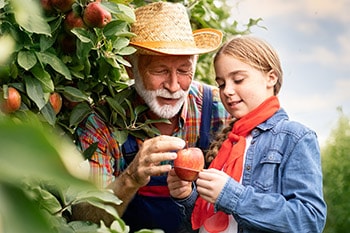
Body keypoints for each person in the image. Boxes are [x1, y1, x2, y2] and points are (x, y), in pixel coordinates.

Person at [71, 2, 230, 233]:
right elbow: (84, 217)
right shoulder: (102, 123)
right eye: (160, 70)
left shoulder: (217, 109)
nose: (174, 86)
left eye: (184, 70)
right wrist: (130, 178)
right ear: (129, 68)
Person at [167, 35, 327, 233]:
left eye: (238, 80)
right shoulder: (225, 141)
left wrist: (232, 196)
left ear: (271, 77)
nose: (227, 91)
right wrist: (187, 197)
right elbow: (211, 220)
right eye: (222, 83)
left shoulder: (294, 138)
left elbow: (309, 220)